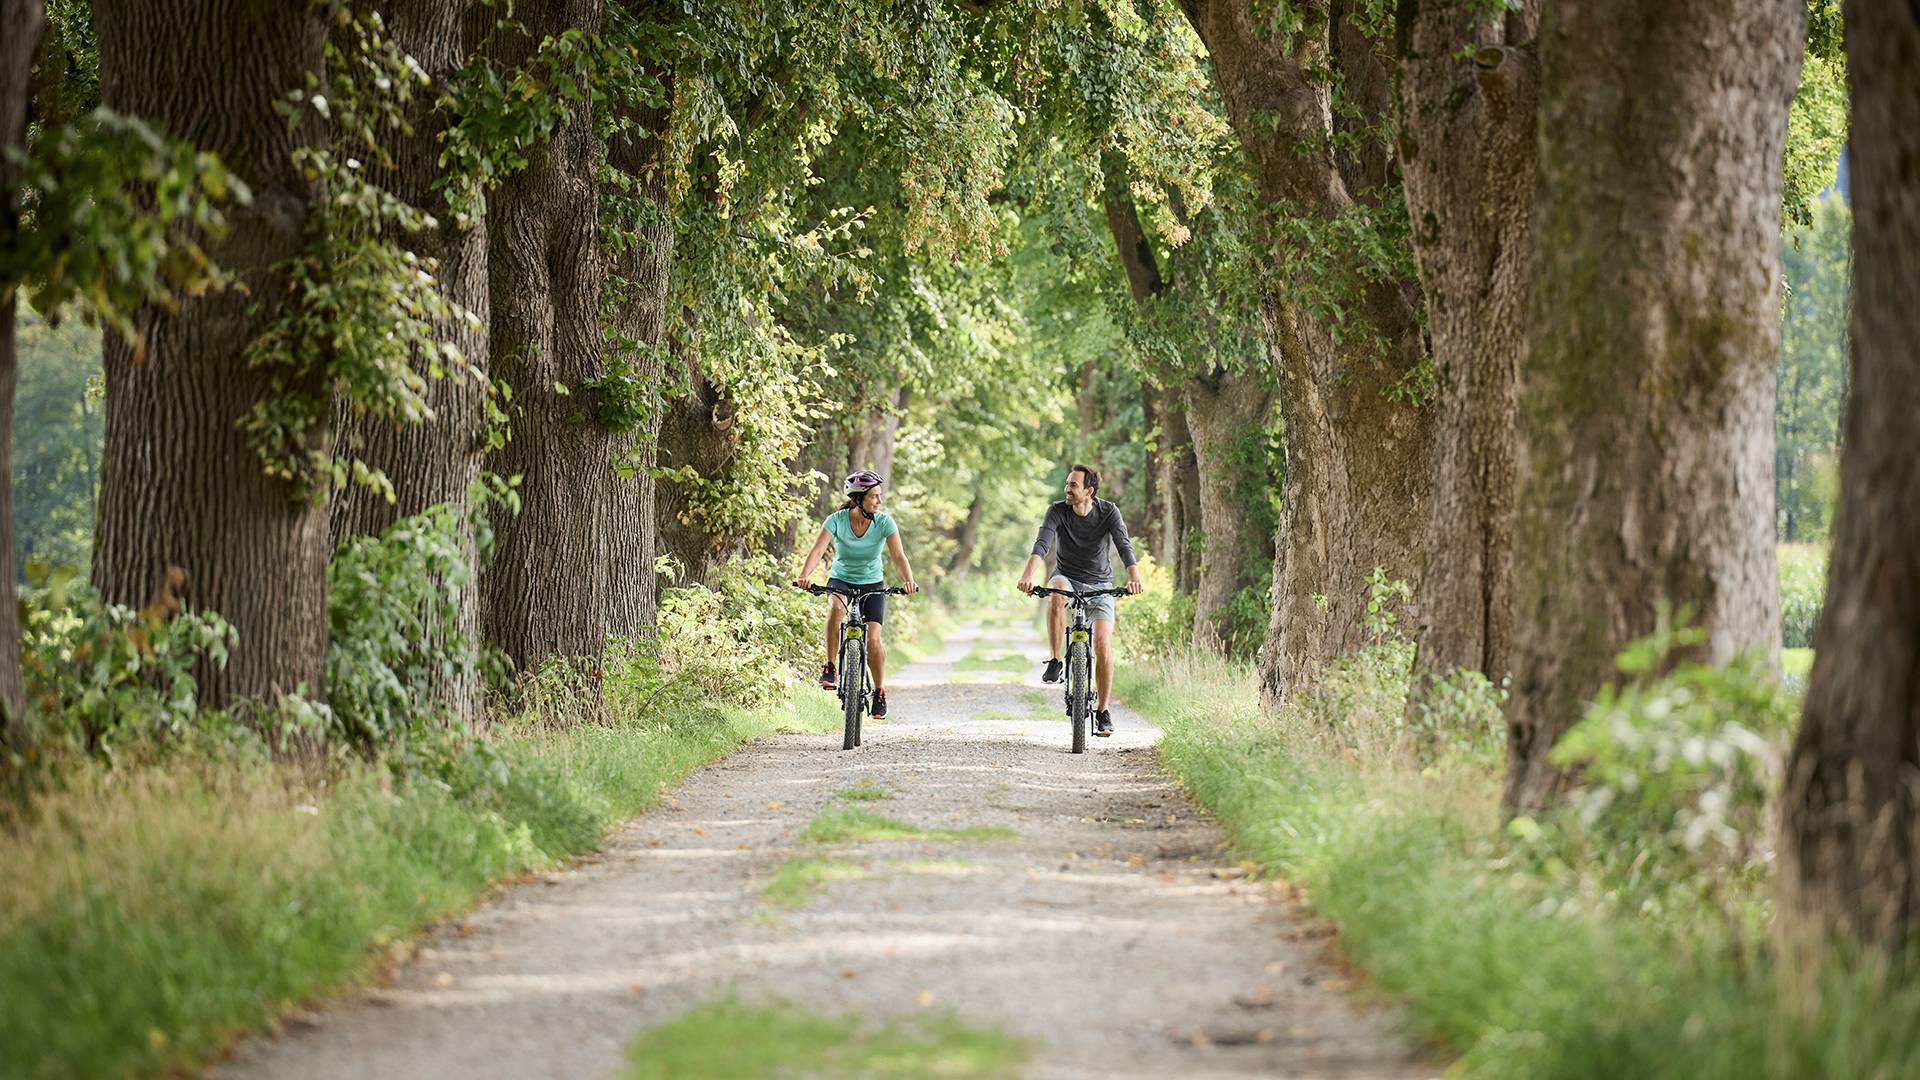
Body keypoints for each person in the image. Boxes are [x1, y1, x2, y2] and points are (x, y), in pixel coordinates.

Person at [1015, 463, 1143, 737]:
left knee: (1103, 644)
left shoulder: (1108, 512)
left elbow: (1123, 545)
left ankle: (1103, 711)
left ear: (1089, 491)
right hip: (1067, 577)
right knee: (1055, 593)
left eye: (1073, 485)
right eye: (1067, 483)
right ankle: (1055, 660)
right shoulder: (1057, 511)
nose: (1067, 489)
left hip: (1101, 584)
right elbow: (1042, 544)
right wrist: (1027, 575)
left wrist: (1135, 577)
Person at [793, 469, 919, 719]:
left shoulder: (884, 523)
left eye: (879, 496)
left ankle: (879, 692)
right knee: (835, 609)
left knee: (873, 640)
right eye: (874, 496)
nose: (879, 501)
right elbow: (818, 550)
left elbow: (898, 556)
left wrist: (908, 580)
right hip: (841, 579)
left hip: (872, 583)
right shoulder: (836, 520)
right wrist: (804, 575)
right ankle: (830, 667)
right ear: (859, 499)